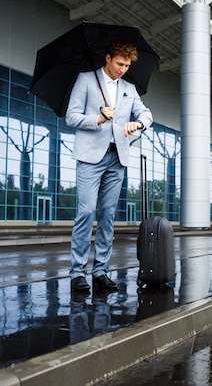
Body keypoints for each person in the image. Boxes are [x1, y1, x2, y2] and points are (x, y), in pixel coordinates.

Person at [66, 38, 153, 292]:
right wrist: (99, 118)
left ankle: (101, 271)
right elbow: (71, 116)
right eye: (119, 64)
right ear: (108, 58)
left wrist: (137, 124)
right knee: (85, 212)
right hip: (90, 157)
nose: (123, 69)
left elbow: (147, 115)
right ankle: (77, 273)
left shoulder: (129, 88)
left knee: (108, 216)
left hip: (118, 159)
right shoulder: (85, 80)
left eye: (127, 65)